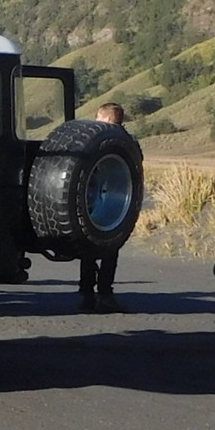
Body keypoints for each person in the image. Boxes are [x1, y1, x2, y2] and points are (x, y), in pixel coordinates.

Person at [78, 102, 130, 312]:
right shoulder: (126, 141)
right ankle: (102, 294)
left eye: (99, 118)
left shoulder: (92, 139)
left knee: (91, 247)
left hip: (92, 199)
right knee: (108, 248)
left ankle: (90, 294)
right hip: (114, 203)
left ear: (107, 119)